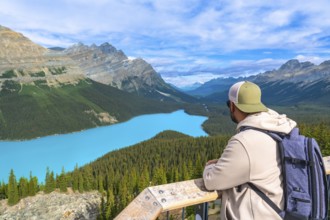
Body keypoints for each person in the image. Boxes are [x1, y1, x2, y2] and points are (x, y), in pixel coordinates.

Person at [203, 81, 297, 220]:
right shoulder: (282, 130)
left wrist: (210, 166)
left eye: (228, 104)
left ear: (233, 106)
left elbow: (212, 181)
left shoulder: (244, 141)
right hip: (281, 212)